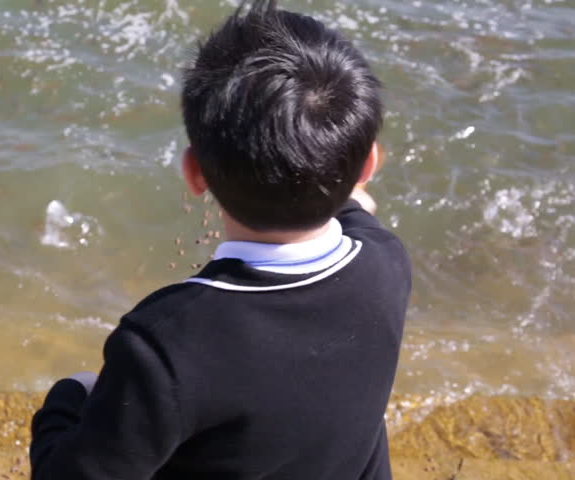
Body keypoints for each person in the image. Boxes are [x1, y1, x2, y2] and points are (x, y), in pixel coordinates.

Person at [29, 0, 411, 478]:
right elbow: (359, 215)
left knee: (86, 386)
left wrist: (63, 402)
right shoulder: (385, 263)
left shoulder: (163, 345)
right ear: (368, 167)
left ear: (194, 173)